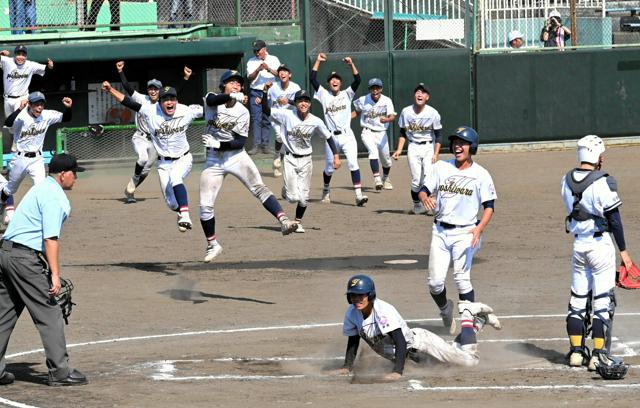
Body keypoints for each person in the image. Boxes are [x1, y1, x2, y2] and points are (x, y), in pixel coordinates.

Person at [0, 153, 88, 387]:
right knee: (50, 314)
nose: (76, 178)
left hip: (5, 254)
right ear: (63, 174)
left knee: (4, 314)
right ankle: (60, 372)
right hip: (23, 259)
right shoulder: (55, 197)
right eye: (74, 173)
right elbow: (50, 239)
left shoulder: (40, 188)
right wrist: (55, 275)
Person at [199, 70, 298, 262]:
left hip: (235, 156)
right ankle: (213, 244)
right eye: (231, 82)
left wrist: (219, 144)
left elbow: (240, 142)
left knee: (259, 188)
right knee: (204, 206)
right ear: (223, 85)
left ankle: (284, 221)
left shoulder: (243, 112)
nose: (236, 85)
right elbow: (212, 101)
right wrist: (231, 96)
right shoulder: (212, 99)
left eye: (238, 83)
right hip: (213, 161)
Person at [332, 275, 501, 381]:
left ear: (370, 295)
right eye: (353, 296)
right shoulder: (352, 314)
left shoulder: (382, 311)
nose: (357, 299)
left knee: (470, 362)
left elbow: (399, 341)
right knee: (452, 360)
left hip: (423, 346)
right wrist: (347, 366)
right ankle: (477, 322)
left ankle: (468, 316)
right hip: (414, 357)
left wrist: (398, 371)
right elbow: (353, 341)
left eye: (361, 295)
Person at [561, 135, 632, 373]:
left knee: (578, 300)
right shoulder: (602, 182)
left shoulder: (566, 181)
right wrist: (624, 252)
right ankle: (599, 355)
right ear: (597, 156)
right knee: (602, 302)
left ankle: (576, 352)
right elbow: (615, 220)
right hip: (600, 247)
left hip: (579, 246)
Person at [418, 127, 497, 335]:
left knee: (462, 279)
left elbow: (489, 206)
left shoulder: (481, 174)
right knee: (435, 284)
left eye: (462, 143)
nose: (457, 146)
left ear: (472, 147)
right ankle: (445, 309)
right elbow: (423, 189)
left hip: (466, 233)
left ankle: (468, 330)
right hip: (440, 231)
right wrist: (424, 197)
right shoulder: (441, 167)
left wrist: (479, 229)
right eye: (455, 142)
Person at [102, 82, 202, 232]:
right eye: (165, 99)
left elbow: (211, 106)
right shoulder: (150, 111)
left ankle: (186, 215)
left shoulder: (187, 111)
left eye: (172, 98)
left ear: (176, 100)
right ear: (160, 102)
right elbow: (127, 101)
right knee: (171, 203)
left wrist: (234, 98)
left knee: (176, 178)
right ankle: (181, 212)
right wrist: (110, 90)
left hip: (183, 158)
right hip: (163, 164)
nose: (169, 102)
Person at [262, 83, 341, 233]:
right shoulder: (286, 115)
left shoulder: (316, 121)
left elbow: (329, 137)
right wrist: (265, 92)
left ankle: (297, 222)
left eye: (306, 101)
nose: (303, 103)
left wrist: (336, 156)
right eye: (300, 101)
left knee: (304, 198)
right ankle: (286, 190)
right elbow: (266, 110)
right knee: (292, 198)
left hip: (306, 160)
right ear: (296, 103)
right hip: (290, 159)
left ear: (310, 104)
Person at [115, 60, 193, 204]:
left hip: (156, 142)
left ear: (160, 91)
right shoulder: (142, 99)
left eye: (156, 89)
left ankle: (131, 189)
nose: (153, 91)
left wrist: (186, 78)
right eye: (150, 88)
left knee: (146, 170)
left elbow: (178, 91)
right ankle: (133, 182)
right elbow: (127, 88)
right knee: (142, 159)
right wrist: (120, 72)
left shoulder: (163, 104)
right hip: (140, 137)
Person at [0, 92, 73, 225]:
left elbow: (66, 118)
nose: (39, 107)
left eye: (41, 104)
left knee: (41, 188)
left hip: (37, 160)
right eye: (36, 104)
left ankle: (39, 219)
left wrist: (68, 108)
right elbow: (8, 122)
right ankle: (2, 202)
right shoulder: (21, 116)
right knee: (10, 189)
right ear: (30, 104)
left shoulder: (47, 115)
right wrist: (19, 109)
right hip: (20, 159)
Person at [311, 53, 367, 207]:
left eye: (337, 79)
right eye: (331, 79)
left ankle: (358, 195)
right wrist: (318, 61)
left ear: (341, 83)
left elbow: (358, 80)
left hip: (347, 135)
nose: (334, 81)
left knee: (353, 164)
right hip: (331, 138)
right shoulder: (323, 95)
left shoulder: (347, 94)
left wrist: (351, 65)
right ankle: (326, 189)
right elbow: (313, 79)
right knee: (329, 169)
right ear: (329, 83)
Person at [392, 83, 442, 215]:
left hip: (428, 147)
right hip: (413, 147)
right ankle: (417, 205)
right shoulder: (406, 112)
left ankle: (432, 203)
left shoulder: (433, 113)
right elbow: (402, 133)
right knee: (416, 181)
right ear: (414, 95)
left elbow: (438, 135)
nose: (420, 94)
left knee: (429, 177)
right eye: (418, 92)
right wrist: (398, 150)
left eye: (423, 92)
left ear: (427, 97)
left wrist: (436, 153)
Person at [0, 45, 54, 153]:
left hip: (22, 98)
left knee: (18, 121)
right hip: (7, 99)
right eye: (18, 54)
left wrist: (50, 66)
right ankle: (17, 142)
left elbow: (45, 69)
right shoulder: (7, 61)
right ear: (15, 55)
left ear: (26, 56)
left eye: (23, 55)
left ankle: (17, 145)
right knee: (10, 125)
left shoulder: (30, 65)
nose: (21, 57)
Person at [353, 78, 396, 191]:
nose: (375, 90)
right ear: (370, 89)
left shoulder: (387, 100)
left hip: (382, 133)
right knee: (373, 152)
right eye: (373, 88)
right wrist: (345, 120)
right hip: (367, 131)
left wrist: (387, 120)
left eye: (377, 88)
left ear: (381, 89)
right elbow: (356, 112)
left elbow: (392, 116)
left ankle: (385, 178)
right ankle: (377, 178)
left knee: (386, 161)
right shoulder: (363, 99)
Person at [246, 40, 281, 155]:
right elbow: (250, 78)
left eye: (258, 50)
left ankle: (265, 145)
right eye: (255, 51)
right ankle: (256, 145)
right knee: (256, 118)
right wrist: (258, 70)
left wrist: (268, 68)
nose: (257, 53)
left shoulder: (274, 59)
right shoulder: (251, 61)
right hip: (256, 92)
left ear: (264, 49)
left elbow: (280, 75)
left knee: (267, 118)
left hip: (269, 92)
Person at [267, 64, 301, 177]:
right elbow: (265, 98)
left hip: (289, 117)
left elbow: (300, 103)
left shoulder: (295, 87)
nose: (282, 73)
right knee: (279, 136)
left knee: (288, 142)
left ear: (289, 74)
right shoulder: (272, 87)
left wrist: (288, 101)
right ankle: (277, 154)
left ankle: (278, 164)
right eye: (280, 71)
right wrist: (259, 99)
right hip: (275, 117)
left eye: (285, 71)